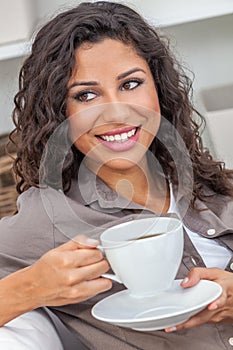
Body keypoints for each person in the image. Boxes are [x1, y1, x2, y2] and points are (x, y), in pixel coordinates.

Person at [0, 1, 233, 349]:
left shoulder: (210, 183)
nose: (117, 112)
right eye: (86, 95)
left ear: (159, 89)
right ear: (58, 112)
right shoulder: (48, 217)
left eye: (130, 84)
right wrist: (30, 287)